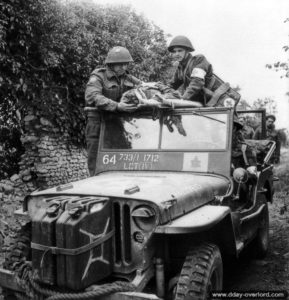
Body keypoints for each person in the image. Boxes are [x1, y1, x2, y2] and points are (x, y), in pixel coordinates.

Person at [85, 46, 142, 176]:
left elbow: (145, 87)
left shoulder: (128, 78)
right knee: (97, 165)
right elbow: (92, 96)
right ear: (111, 64)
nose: (123, 67)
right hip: (97, 124)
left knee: (121, 161)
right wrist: (116, 106)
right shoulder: (98, 76)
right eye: (119, 64)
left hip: (117, 125)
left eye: (125, 64)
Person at [167, 35, 213, 105]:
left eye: (180, 51)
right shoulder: (181, 68)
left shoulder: (198, 60)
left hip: (213, 100)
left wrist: (183, 100)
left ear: (187, 51)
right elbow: (171, 85)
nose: (177, 54)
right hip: (197, 102)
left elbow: (196, 83)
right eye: (174, 51)